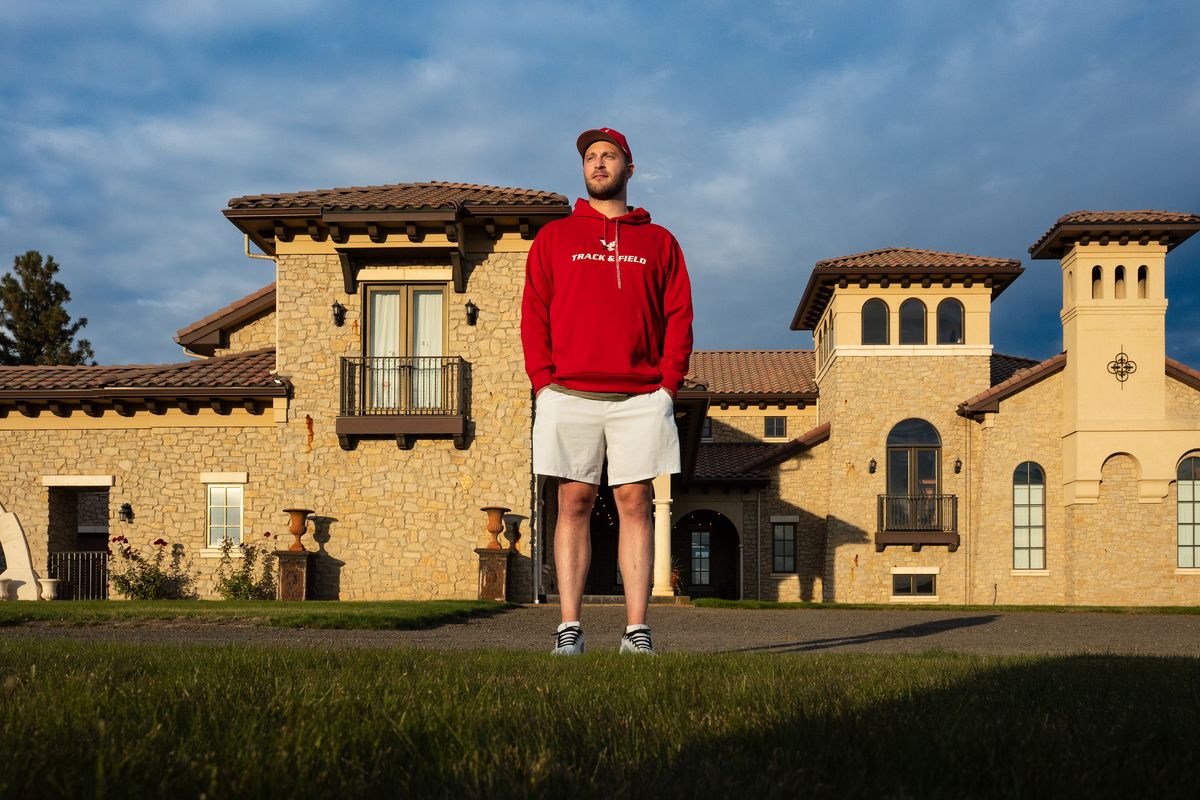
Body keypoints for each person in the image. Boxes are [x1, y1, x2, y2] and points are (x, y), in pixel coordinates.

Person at [521, 127, 694, 655]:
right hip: (567, 391)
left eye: (609, 156)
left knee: (635, 502)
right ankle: (569, 629)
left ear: (629, 168)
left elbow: (679, 315)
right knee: (573, 500)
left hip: (641, 396)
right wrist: (543, 382)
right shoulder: (554, 238)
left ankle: (636, 631)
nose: (598, 163)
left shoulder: (659, 241)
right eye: (591, 157)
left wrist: (668, 386)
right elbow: (534, 313)